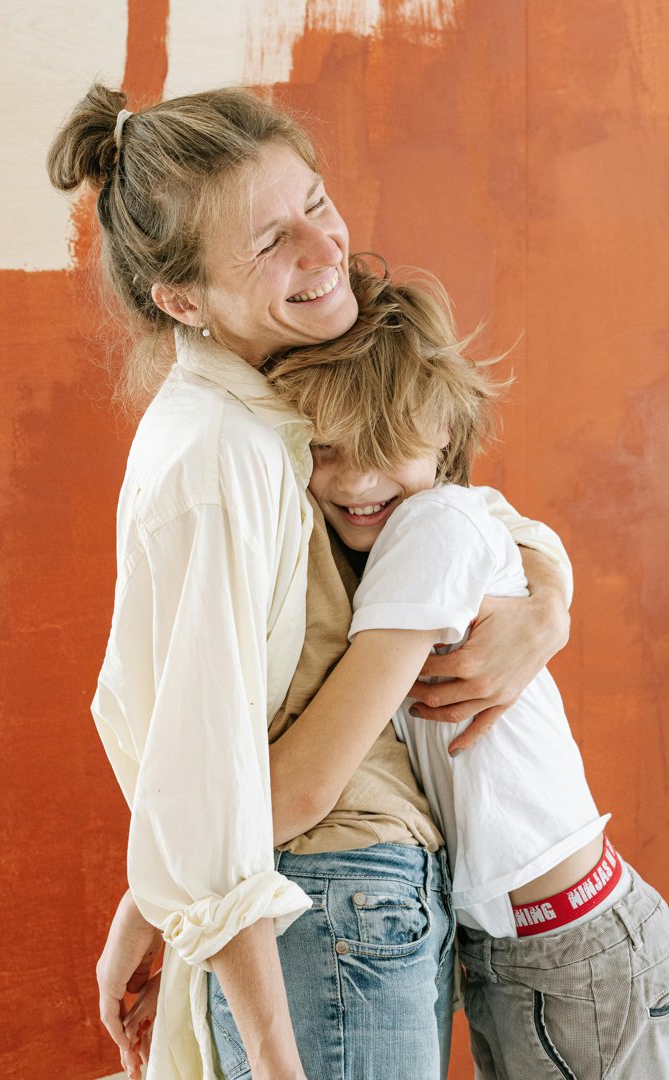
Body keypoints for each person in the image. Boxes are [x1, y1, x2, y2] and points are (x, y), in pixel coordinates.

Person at [47, 85, 572, 1080]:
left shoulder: (293, 394)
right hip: (333, 904)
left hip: (353, 898)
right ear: (183, 300)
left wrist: (547, 592)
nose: (326, 251)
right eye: (269, 241)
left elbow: (446, 503)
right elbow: (214, 790)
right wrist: (278, 1056)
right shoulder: (223, 460)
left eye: (317, 204)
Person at [267, 259, 669, 1078]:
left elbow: (303, 789)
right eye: (326, 448)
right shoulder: (438, 522)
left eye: (385, 445)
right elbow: (524, 533)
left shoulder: (433, 528)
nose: (356, 480)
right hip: (550, 938)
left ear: (447, 428)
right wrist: (550, 593)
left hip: (560, 950)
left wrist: (166, 887)